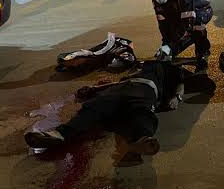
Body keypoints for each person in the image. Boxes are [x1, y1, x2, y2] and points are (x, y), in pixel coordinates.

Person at [24, 61, 185, 166]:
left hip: (144, 89)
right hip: (123, 87)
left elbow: (181, 83)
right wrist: (95, 88)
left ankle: (143, 139)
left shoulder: (170, 67)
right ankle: (59, 135)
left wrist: (177, 97)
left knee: (141, 111)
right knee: (96, 106)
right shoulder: (142, 67)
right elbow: (122, 81)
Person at [147, 0, 213, 74]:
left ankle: (203, 54)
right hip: (179, 13)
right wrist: (165, 45)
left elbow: (187, 24)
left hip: (201, 11)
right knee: (172, 35)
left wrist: (171, 46)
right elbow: (163, 24)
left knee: (195, 27)